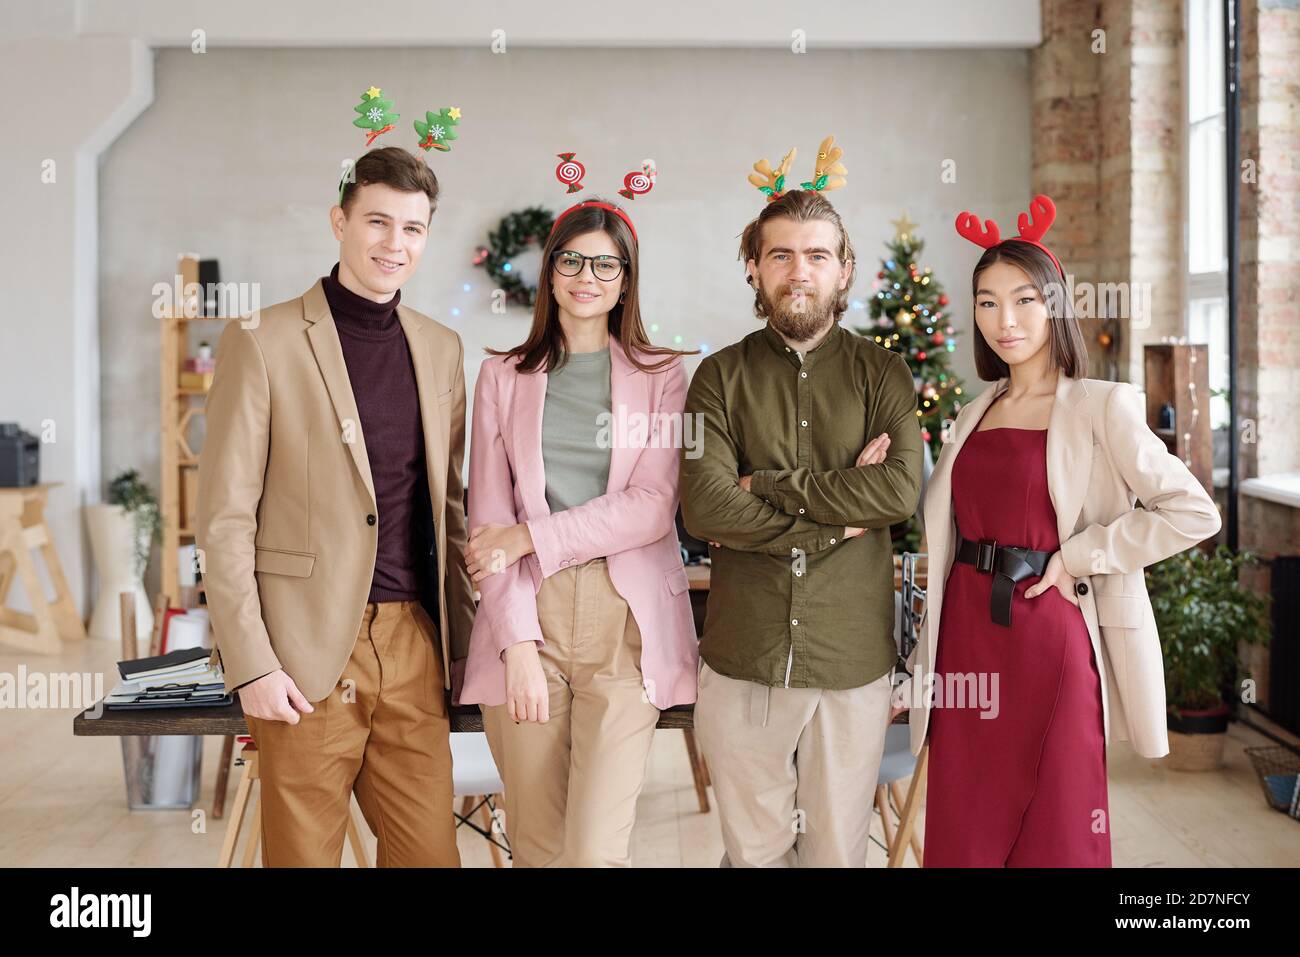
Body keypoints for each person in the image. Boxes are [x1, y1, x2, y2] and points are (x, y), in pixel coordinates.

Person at [891, 195, 1223, 866]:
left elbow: (1193, 510)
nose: (1004, 319)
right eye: (987, 301)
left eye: (1023, 300)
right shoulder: (973, 409)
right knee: (965, 822)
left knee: (1060, 825)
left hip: (1052, 634)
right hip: (967, 640)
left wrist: (1081, 556)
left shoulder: (1102, 405)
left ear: (1055, 305)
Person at [197, 109, 475, 866]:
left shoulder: (442, 349)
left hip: (415, 642)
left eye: (413, 229)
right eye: (378, 222)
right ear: (340, 221)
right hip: (305, 648)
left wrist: (472, 646)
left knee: (430, 856)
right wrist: (251, 660)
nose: (395, 243)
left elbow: (448, 509)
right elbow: (223, 518)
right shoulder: (263, 339)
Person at [679, 139, 924, 867]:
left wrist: (768, 485)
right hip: (743, 656)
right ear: (753, 267)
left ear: (844, 268)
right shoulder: (716, 379)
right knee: (751, 851)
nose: (799, 271)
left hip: (850, 659)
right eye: (780, 255)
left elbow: (897, 489)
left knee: (836, 853)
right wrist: (838, 520)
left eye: (817, 254)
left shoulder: (886, 374)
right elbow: (707, 509)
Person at [459, 195, 698, 867]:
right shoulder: (502, 377)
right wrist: (517, 647)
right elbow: (487, 525)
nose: (586, 275)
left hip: (625, 628)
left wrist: (534, 537)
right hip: (525, 620)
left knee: (593, 853)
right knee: (537, 848)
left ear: (626, 279)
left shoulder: (661, 376)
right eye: (571, 258)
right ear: (549, 269)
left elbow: (653, 506)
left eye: (605, 263)